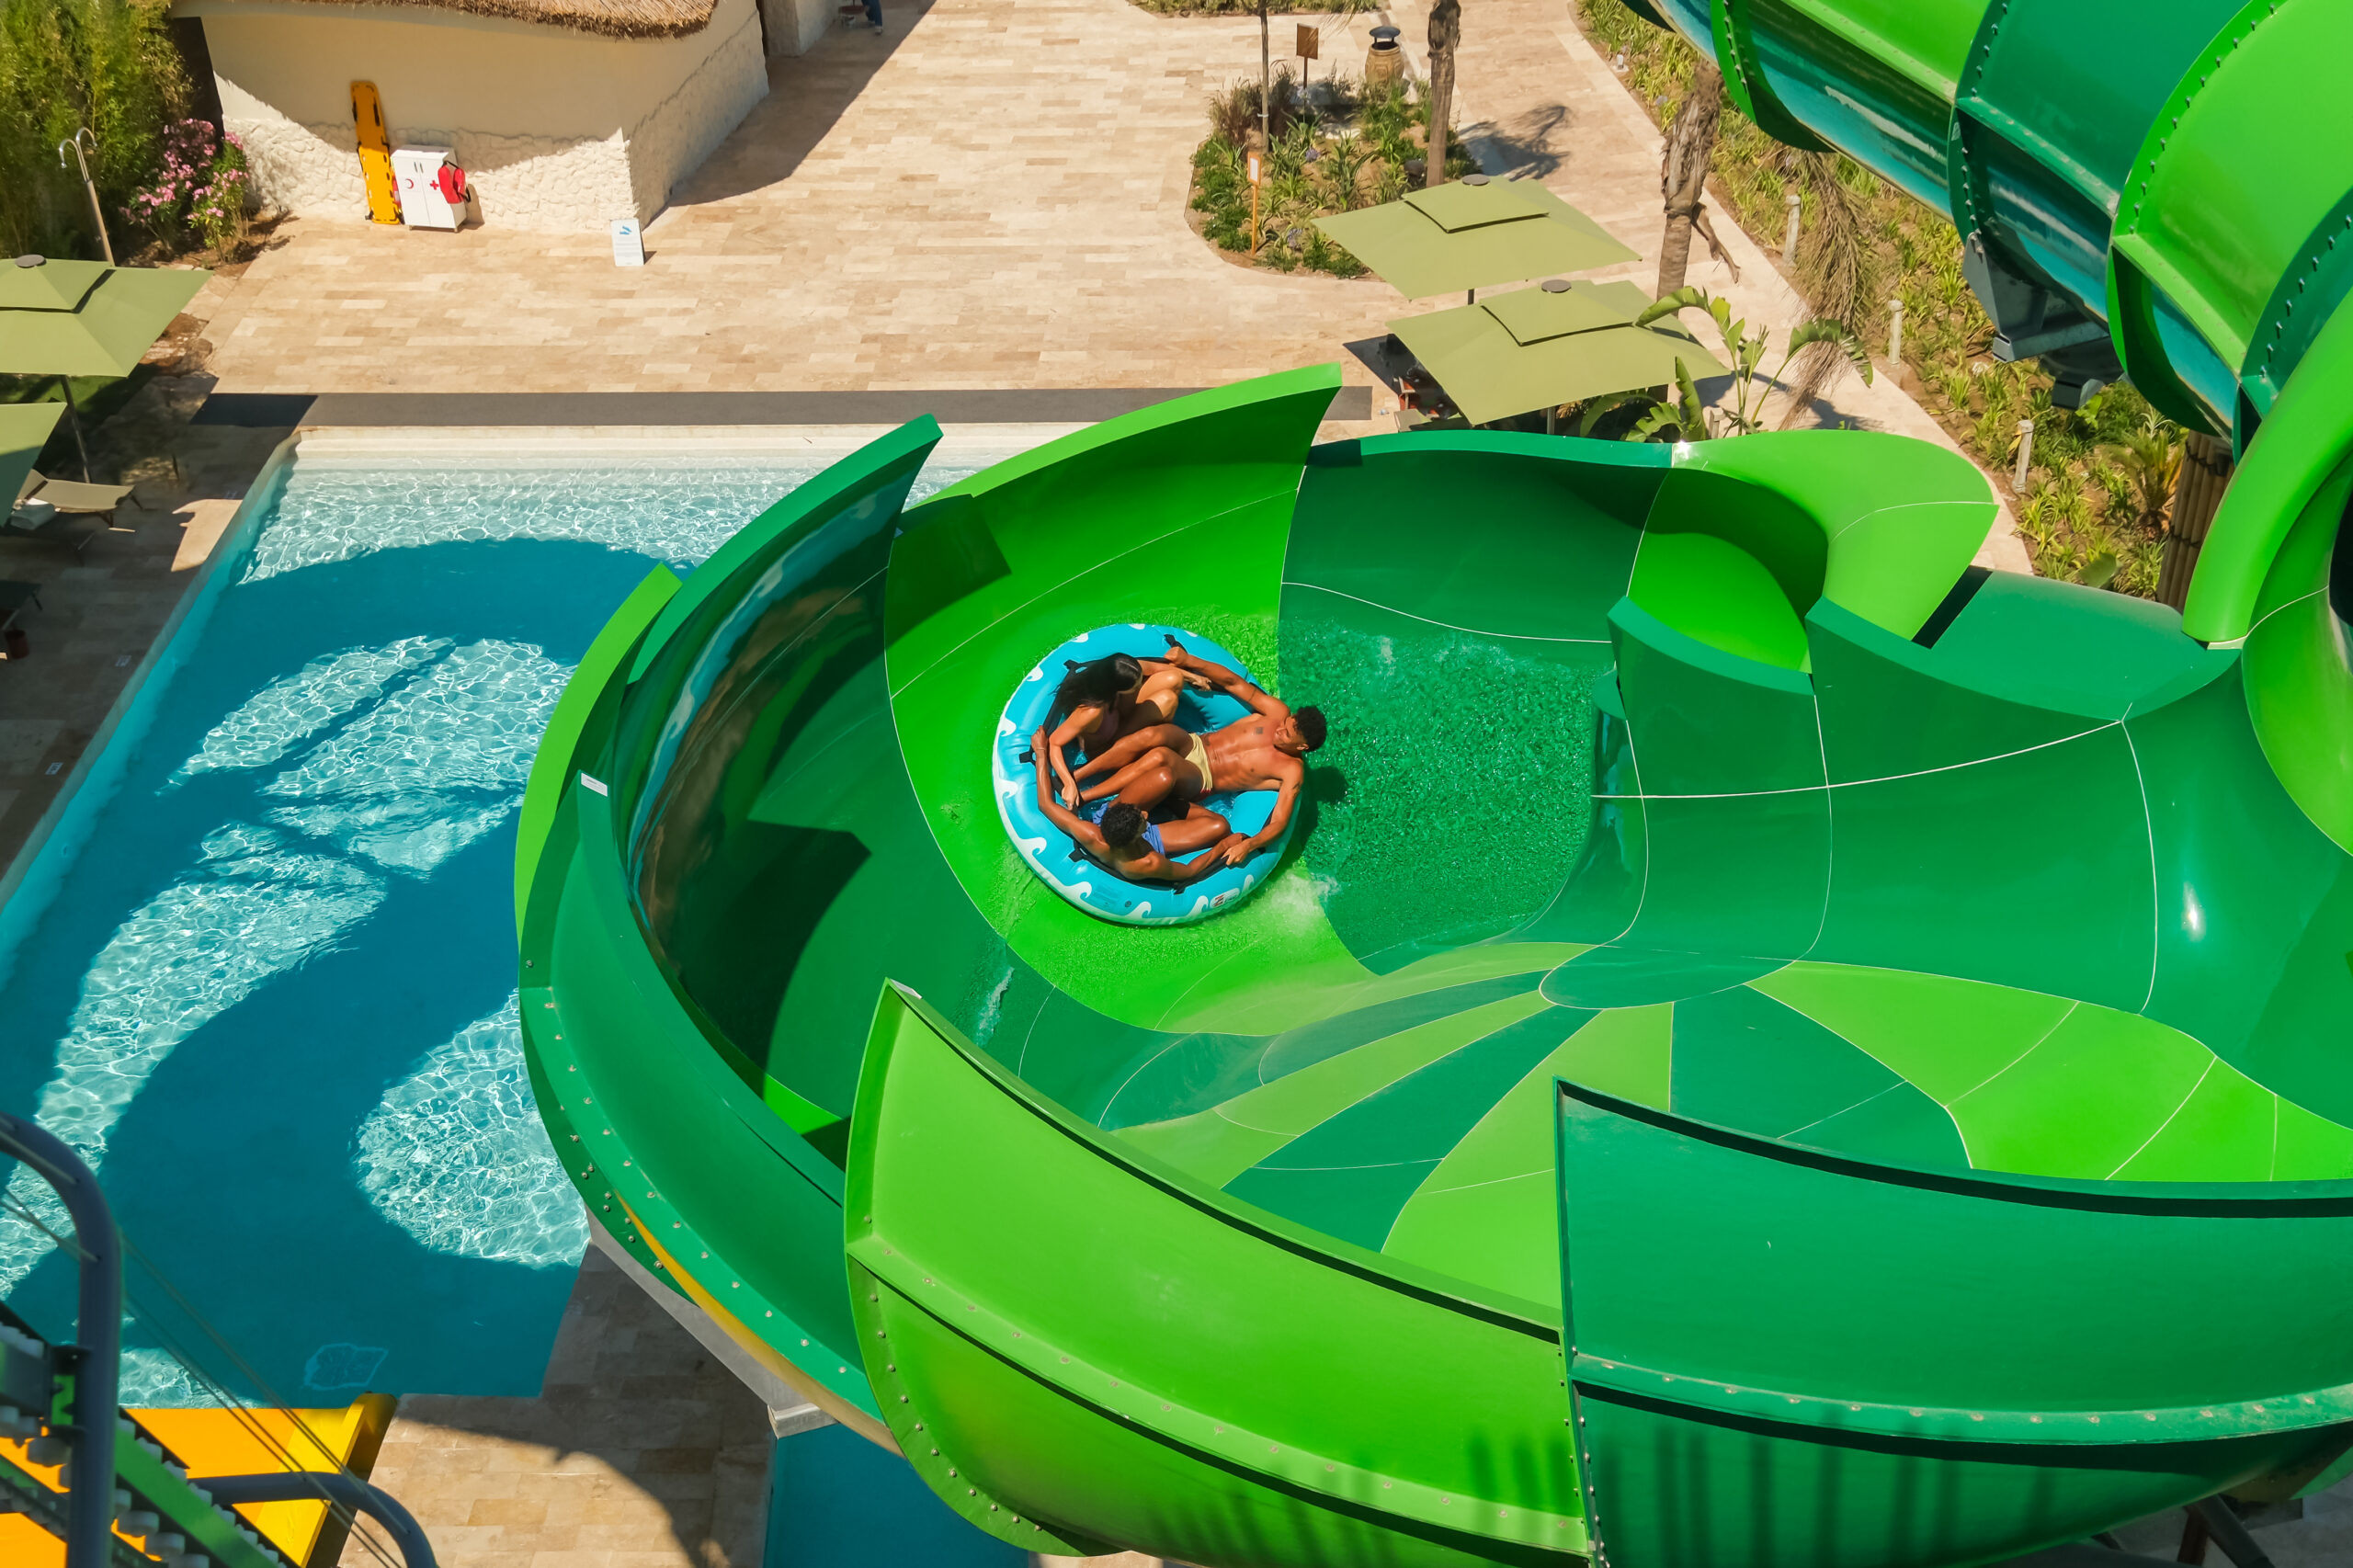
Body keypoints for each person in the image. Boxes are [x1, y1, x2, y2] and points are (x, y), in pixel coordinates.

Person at [1070, 640, 1325, 865]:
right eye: (1286, 724)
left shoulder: (1291, 771)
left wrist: (1248, 845)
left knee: (1162, 757)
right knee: (1155, 735)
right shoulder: (1278, 713)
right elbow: (1234, 683)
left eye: (1287, 735)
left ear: (1302, 747)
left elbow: (1279, 821)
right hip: (1195, 743)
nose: (1279, 730)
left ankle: (1085, 796)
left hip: (1202, 777)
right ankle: (1078, 775)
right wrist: (1189, 661)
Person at [1030, 731, 1245, 885]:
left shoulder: (1092, 834)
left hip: (1113, 820)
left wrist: (1040, 753)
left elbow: (1045, 804)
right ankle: (1169, 799)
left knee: (1165, 776)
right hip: (1149, 841)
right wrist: (1223, 846)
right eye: (1143, 818)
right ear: (1137, 835)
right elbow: (1188, 871)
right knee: (1220, 826)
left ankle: (1152, 797)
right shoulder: (1147, 862)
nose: (1145, 812)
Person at [1041, 651, 1204, 808]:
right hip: (1107, 746)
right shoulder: (1091, 711)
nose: (1141, 685)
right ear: (1116, 689)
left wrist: (1193, 677)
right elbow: (1054, 742)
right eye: (1136, 686)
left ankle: (1161, 735)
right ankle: (1157, 741)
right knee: (1167, 699)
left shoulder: (1113, 671)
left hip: (1118, 718)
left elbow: (1153, 668)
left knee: (1174, 677)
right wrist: (1068, 782)